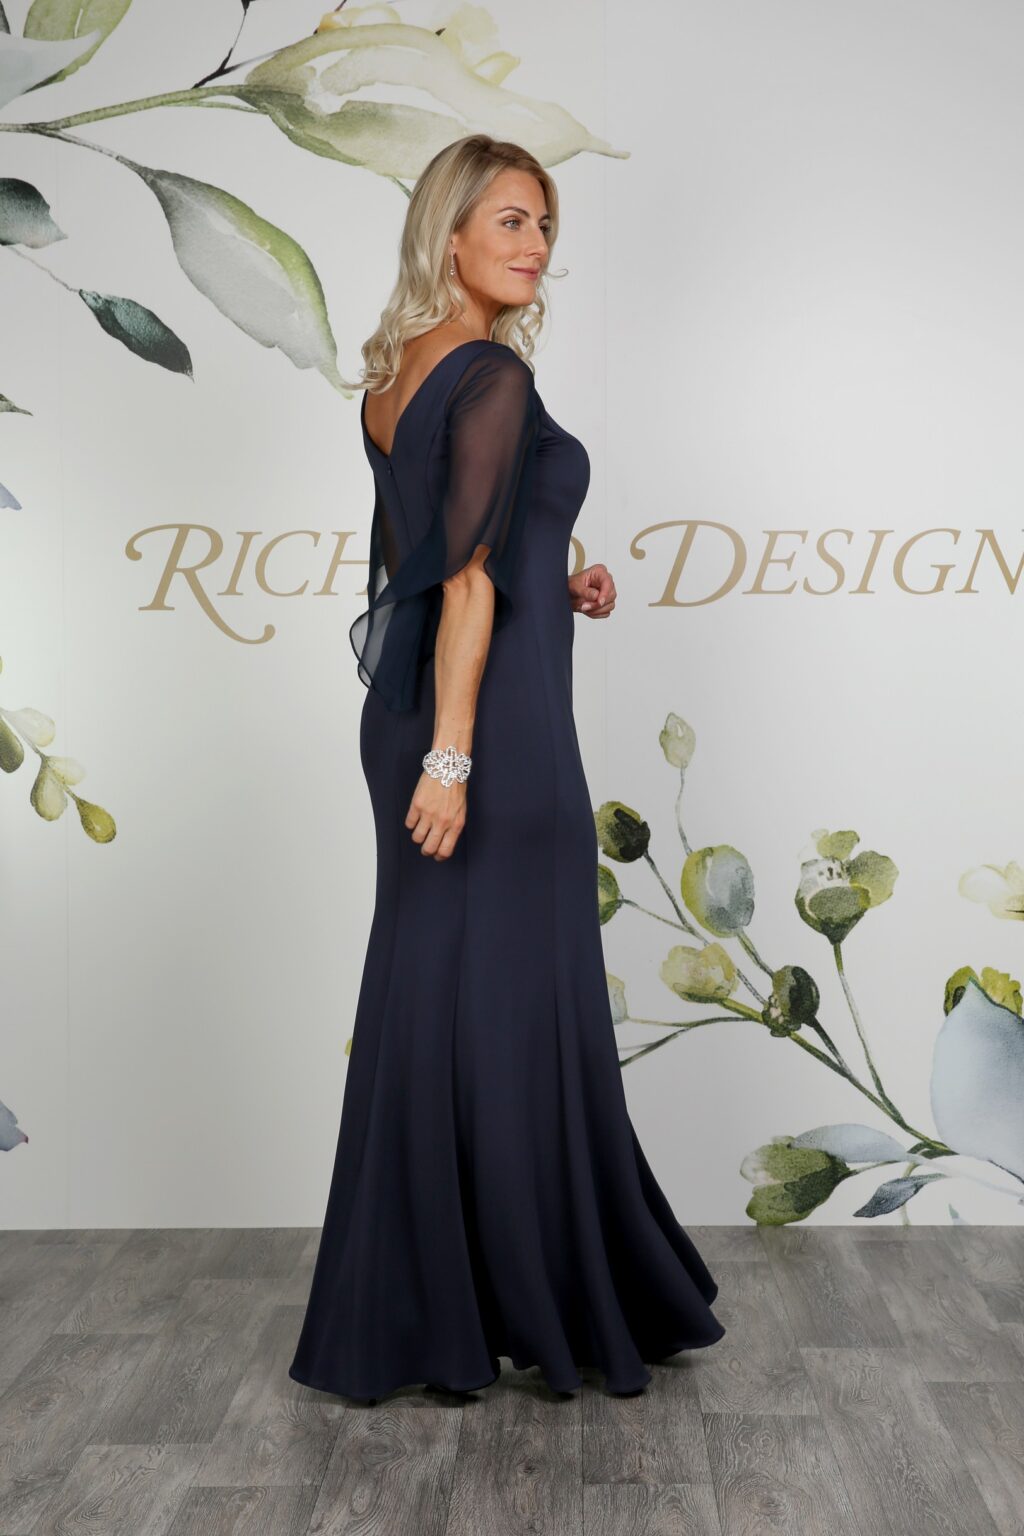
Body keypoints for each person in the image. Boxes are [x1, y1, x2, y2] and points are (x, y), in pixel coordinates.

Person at [288, 134, 725, 1405]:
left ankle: (426, 1309)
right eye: (512, 222)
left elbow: (441, 550)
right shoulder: (488, 372)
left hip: (432, 716)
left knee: (442, 1002)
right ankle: (535, 1294)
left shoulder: (400, 372)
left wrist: (560, 570)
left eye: (544, 225)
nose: (536, 247)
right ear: (450, 235)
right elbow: (466, 583)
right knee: (517, 1010)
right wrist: (453, 758)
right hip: (487, 733)